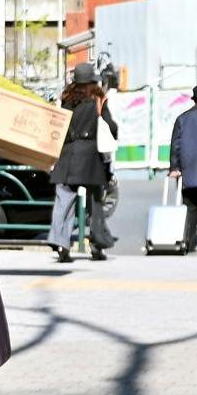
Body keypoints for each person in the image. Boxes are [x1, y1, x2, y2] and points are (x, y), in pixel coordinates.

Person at [47, 65, 116, 263]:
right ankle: (97, 246)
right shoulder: (98, 99)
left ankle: (61, 245)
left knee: (64, 202)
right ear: (92, 80)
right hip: (91, 157)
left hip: (67, 155)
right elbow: (110, 126)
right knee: (96, 204)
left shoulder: (65, 100)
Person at [168, 83, 197, 254]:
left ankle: (189, 242)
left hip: (189, 174)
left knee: (190, 210)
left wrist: (174, 167)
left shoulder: (182, 118)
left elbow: (175, 145)